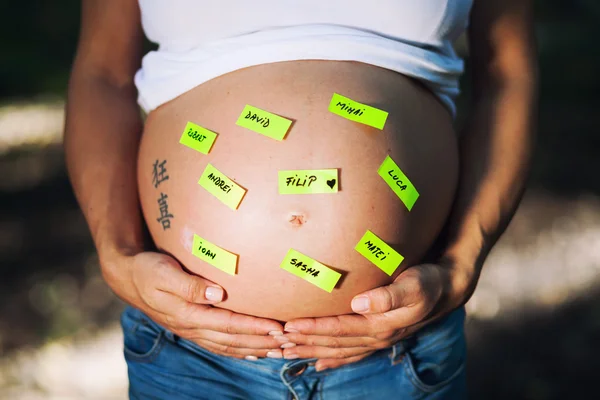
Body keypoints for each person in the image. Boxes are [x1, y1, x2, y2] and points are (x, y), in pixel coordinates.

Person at [64, 0, 537, 398]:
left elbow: (507, 72)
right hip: (191, 353)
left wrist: (462, 264)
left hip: (397, 349)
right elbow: (102, 73)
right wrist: (117, 255)